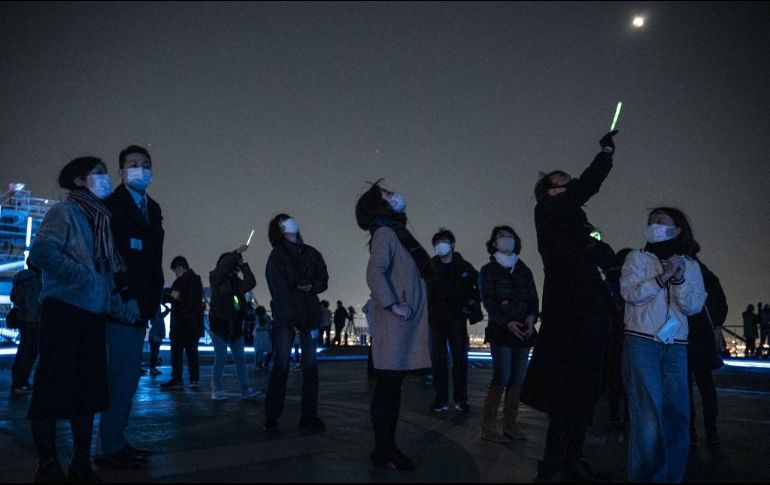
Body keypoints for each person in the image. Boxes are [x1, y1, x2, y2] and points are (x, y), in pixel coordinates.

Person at [520, 130, 618, 482]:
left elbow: (595, 246)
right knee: (567, 388)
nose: (571, 181)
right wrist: (605, 154)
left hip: (590, 303)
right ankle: (553, 462)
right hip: (568, 307)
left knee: (585, 387)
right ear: (550, 191)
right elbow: (586, 187)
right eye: (563, 180)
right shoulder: (548, 209)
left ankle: (573, 457)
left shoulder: (576, 218)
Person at [27, 156, 131, 482]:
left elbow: (107, 273)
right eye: (97, 173)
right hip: (65, 311)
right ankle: (47, 463)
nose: (105, 179)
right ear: (77, 180)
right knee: (52, 386)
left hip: (93, 315)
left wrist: (116, 303)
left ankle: (81, 462)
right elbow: (41, 253)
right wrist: (82, 278)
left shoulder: (101, 220)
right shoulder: (65, 212)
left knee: (88, 392)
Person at [620, 207, 707, 482]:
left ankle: (670, 477)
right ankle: (646, 478)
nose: (653, 226)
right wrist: (662, 277)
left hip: (677, 345)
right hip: (642, 341)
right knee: (647, 416)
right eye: (650, 222)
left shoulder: (691, 265)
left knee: (677, 415)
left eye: (660, 221)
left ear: (677, 229)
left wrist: (679, 278)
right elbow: (630, 293)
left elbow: (693, 305)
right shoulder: (637, 257)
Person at [356, 181, 432, 471]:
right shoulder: (386, 232)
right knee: (388, 389)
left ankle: (385, 448)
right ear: (377, 205)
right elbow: (375, 271)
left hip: (401, 321)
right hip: (395, 322)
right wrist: (393, 304)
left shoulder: (392, 231)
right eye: (386, 195)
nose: (394, 196)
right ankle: (385, 450)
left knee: (391, 388)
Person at [97, 145, 164, 469]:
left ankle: (115, 440)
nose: (141, 169)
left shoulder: (153, 208)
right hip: (120, 305)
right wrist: (125, 296)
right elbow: (108, 257)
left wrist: (151, 300)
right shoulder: (110, 207)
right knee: (121, 376)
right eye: (133, 164)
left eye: (146, 164)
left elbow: (154, 261)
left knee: (128, 378)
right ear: (121, 172)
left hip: (142, 306)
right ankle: (109, 446)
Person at [264, 214, 329, 431]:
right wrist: (290, 318)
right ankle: (272, 416)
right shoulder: (276, 257)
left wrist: (312, 286)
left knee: (310, 368)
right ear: (279, 230)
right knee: (281, 366)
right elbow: (279, 290)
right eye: (284, 222)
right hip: (287, 320)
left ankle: (309, 416)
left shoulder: (311, 252)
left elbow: (323, 279)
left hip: (309, 317)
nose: (290, 222)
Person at [479, 226, 538, 442]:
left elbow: (533, 298)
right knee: (501, 377)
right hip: (501, 331)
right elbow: (488, 301)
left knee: (517, 380)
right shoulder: (488, 270)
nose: (507, 241)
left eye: (510, 237)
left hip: (523, 329)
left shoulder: (523, 269)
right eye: (502, 237)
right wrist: (507, 321)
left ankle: (510, 425)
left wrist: (532, 317)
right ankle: (487, 427)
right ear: (494, 243)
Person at [427, 228, 482, 413]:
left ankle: (461, 399)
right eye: (437, 243)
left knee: (460, 360)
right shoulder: (430, 267)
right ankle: (440, 399)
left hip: (457, 318)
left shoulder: (464, 267)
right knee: (438, 361)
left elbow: (479, 285)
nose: (439, 245)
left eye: (443, 241)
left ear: (452, 244)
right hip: (435, 319)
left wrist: (470, 306)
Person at [208, 246, 261, 400]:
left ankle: (245, 389)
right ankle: (216, 390)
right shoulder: (216, 278)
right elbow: (223, 266)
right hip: (219, 326)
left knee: (240, 359)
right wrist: (237, 253)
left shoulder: (236, 282)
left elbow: (251, 283)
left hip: (235, 326)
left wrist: (244, 265)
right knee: (221, 357)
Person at [686, 255, 728, 448]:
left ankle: (690, 432)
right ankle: (711, 432)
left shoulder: (680, 267)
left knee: (684, 388)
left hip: (684, 335)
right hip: (703, 336)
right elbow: (720, 304)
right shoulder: (707, 274)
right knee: (706, 386)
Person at [161, 256, 204, 390]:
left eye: (175, 271)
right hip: (193, 324)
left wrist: (163, 296)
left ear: (179, 267)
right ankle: (194, 379)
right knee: (192, 354)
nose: (175, 273)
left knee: (177, 354)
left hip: (179, 324)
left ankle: (177, 379)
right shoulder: (197, 281)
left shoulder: (180, 282)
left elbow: (174, 298)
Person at [9, 264, 42, 394]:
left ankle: (18, 382)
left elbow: (13, 298)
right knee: (29, 353)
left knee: (22, 352)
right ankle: (22, 383)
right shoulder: (34, 280)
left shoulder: (20, 278)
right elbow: (33, 303)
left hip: (22, 319)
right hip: (33, 321)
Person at [147, 302, 170, 377]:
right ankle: (153, 368)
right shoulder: (159, 316)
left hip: (154, 336)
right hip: (156, 336)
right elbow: (168, 309)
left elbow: (167, 310)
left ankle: (152, 368)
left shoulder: (156, 317)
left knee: (154, 353)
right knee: (154, 353)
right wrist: (163, 303)